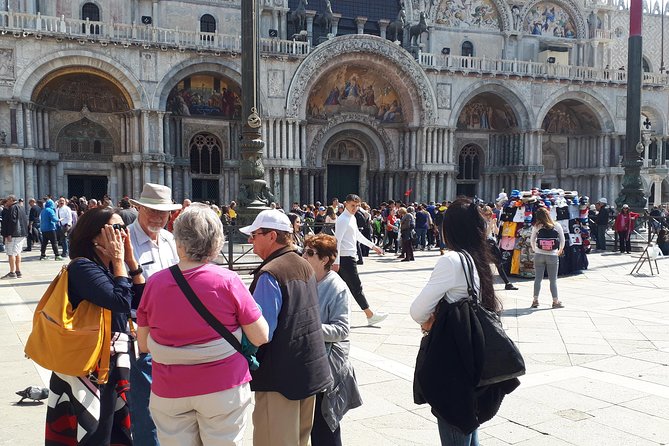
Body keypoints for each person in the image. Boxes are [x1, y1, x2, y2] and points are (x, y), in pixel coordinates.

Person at [136, 204, 269, 446]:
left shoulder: (154, 283)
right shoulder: (227, 280)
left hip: (170, 389)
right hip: (223, 386)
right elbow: (260, 336)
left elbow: (143, 344)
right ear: (217, 241)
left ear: (179, 241)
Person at [45, 207, 145, 445]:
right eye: (115, 228)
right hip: (88, 365)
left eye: (124, 228)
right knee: (94, 432)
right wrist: (120, 262)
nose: (122, 234)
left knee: (114, 430)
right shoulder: (83, 267)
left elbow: (141, 304)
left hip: (110, 362)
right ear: (93, 236)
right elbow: (120, 302)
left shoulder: (111, 269)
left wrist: (131, 262)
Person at [410, 198, 503, 445]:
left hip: (454, 361)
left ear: (450, 229)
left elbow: (418, 311)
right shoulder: (479, 259)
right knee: (470, 428)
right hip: (476, 358)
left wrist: (431, 319)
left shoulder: (452, 261)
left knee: (456, 424)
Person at [240, 209, 332, 446]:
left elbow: (261, 333)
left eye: (254, 234)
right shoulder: (304, 265)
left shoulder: (271, 273)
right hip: (307, 372)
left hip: (279, 379)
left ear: (271, 236)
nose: (250, 240)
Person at [127, 183, 183, 446]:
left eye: (164, 212)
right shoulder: (126, 241)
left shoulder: (171, 240)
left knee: (172, 409)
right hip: (143, 337)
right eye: (153, 211)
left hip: (174, 336)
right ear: (139, 208)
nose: (159, 217)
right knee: (145, 410)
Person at [302, 234, 362, 446]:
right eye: (304, 251)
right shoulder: (308, 279)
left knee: (325, 426)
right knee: (314, 425)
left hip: (329, 367)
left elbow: (342, 329)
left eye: (310, 253)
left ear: (325, 259)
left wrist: (309, 328)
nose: (304, 256)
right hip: (312, 362)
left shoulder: (336, 286)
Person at [333, 194, 387, 326]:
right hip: (345, 258)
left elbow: (358, 235)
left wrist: (373, 246)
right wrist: (336, 262)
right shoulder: (343, 219)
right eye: (352, 205)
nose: (355, 208)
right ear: (346, 204)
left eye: (357, 206)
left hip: (349, 256)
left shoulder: (351, 218)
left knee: (342, 288)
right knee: (356, 287)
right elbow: (337, 241)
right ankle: (370, 315)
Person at [530, 206, 566, 309]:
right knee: (553, 280)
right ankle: (555, 301)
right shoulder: (556, 225)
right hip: (552, 255)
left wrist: (535, 249)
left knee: (538, 279)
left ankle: (535, 300)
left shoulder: (537, 226)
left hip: (539, 254)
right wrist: (560, 250)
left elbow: (532, 240)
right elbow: (562, 239)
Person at [481, 205, 518, 290]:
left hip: (493, 244)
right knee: (486, 265)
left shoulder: (490, 221)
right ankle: (486, 283)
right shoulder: (482, 222)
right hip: (486, 244)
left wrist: (494, 224)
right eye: (486, 214)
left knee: (499, 264)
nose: (488, 216)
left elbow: (497, 233)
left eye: (489, 214)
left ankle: (507, 283)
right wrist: (490, 224)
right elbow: (486, 234)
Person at [1, 195, 28, 279]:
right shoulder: (21, 207)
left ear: (11, 200)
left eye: (8, 200)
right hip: (21, 233)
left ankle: (12, 272)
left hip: (14, 234)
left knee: (11, 253)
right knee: (17, 252)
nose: (7, 202)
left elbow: (12, 221)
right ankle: (18, 271)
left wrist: (8, 234)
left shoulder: (13, 208)